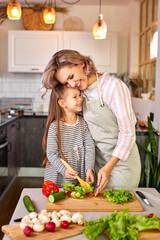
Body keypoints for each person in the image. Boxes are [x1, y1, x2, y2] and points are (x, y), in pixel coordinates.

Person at [41, 49, 141, 196]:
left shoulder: (113, 87)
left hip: (120, 165)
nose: (72, 84)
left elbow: (128, 133)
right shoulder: (83, 93)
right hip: (97, 165)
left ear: (81, 63)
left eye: (71, 76)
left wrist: (108, 168)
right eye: (66, 82)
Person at [41, 84, 95, 188]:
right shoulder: (55, 127)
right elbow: (51, 154)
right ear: (62, 103)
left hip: (79, 173)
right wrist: (63, 170)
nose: (80, 98)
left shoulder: (83, 123)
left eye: (80, 95)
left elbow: (89, 147)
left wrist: (89, 168)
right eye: (75, 97)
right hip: (59, 176)